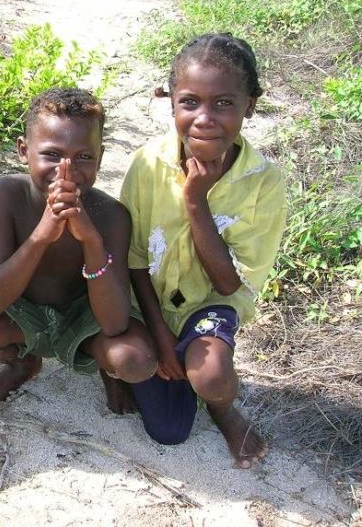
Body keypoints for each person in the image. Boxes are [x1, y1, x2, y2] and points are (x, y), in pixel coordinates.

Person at [121, 33, 286, 467]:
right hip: (150, 301)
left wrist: (196, 199)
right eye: (190, 101)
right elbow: (134, 258)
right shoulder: (147, 163)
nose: (205, 118)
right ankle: (136, 366)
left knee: (210, 377)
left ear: (249, 104)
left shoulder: (262, 182)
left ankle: (223, 409)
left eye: (224, 103)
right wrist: (159, 333)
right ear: (171, 100)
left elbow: (230, 281)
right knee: (170, 431)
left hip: (211, 300)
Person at [0, 87, 158, 413]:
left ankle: (108, 372)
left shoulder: (111, 216)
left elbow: (116, 324)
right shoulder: (7, 195)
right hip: (24, 313)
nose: (67, 170)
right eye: (51, 154)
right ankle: (23, 362)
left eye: (83, 157)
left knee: (135, 360)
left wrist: (91, 241)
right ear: (24, 150)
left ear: (100, 158)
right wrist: (42, 236)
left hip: (87, 318)